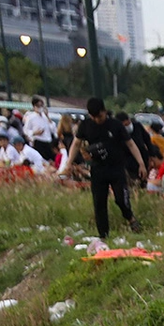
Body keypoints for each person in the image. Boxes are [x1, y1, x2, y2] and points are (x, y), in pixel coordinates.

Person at [62, 96, 144, 238]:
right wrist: (68, 164)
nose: (97, 120)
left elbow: (130, 144)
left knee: (121, 198)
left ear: (104, 111)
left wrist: (141, 163)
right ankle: (103, 235)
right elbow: (76, 144)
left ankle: (130, 217)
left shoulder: (116, 125)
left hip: (116, 167)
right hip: (97, 168)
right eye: (93, 117)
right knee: (99, 203)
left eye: (99, 116)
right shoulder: (86, 125)